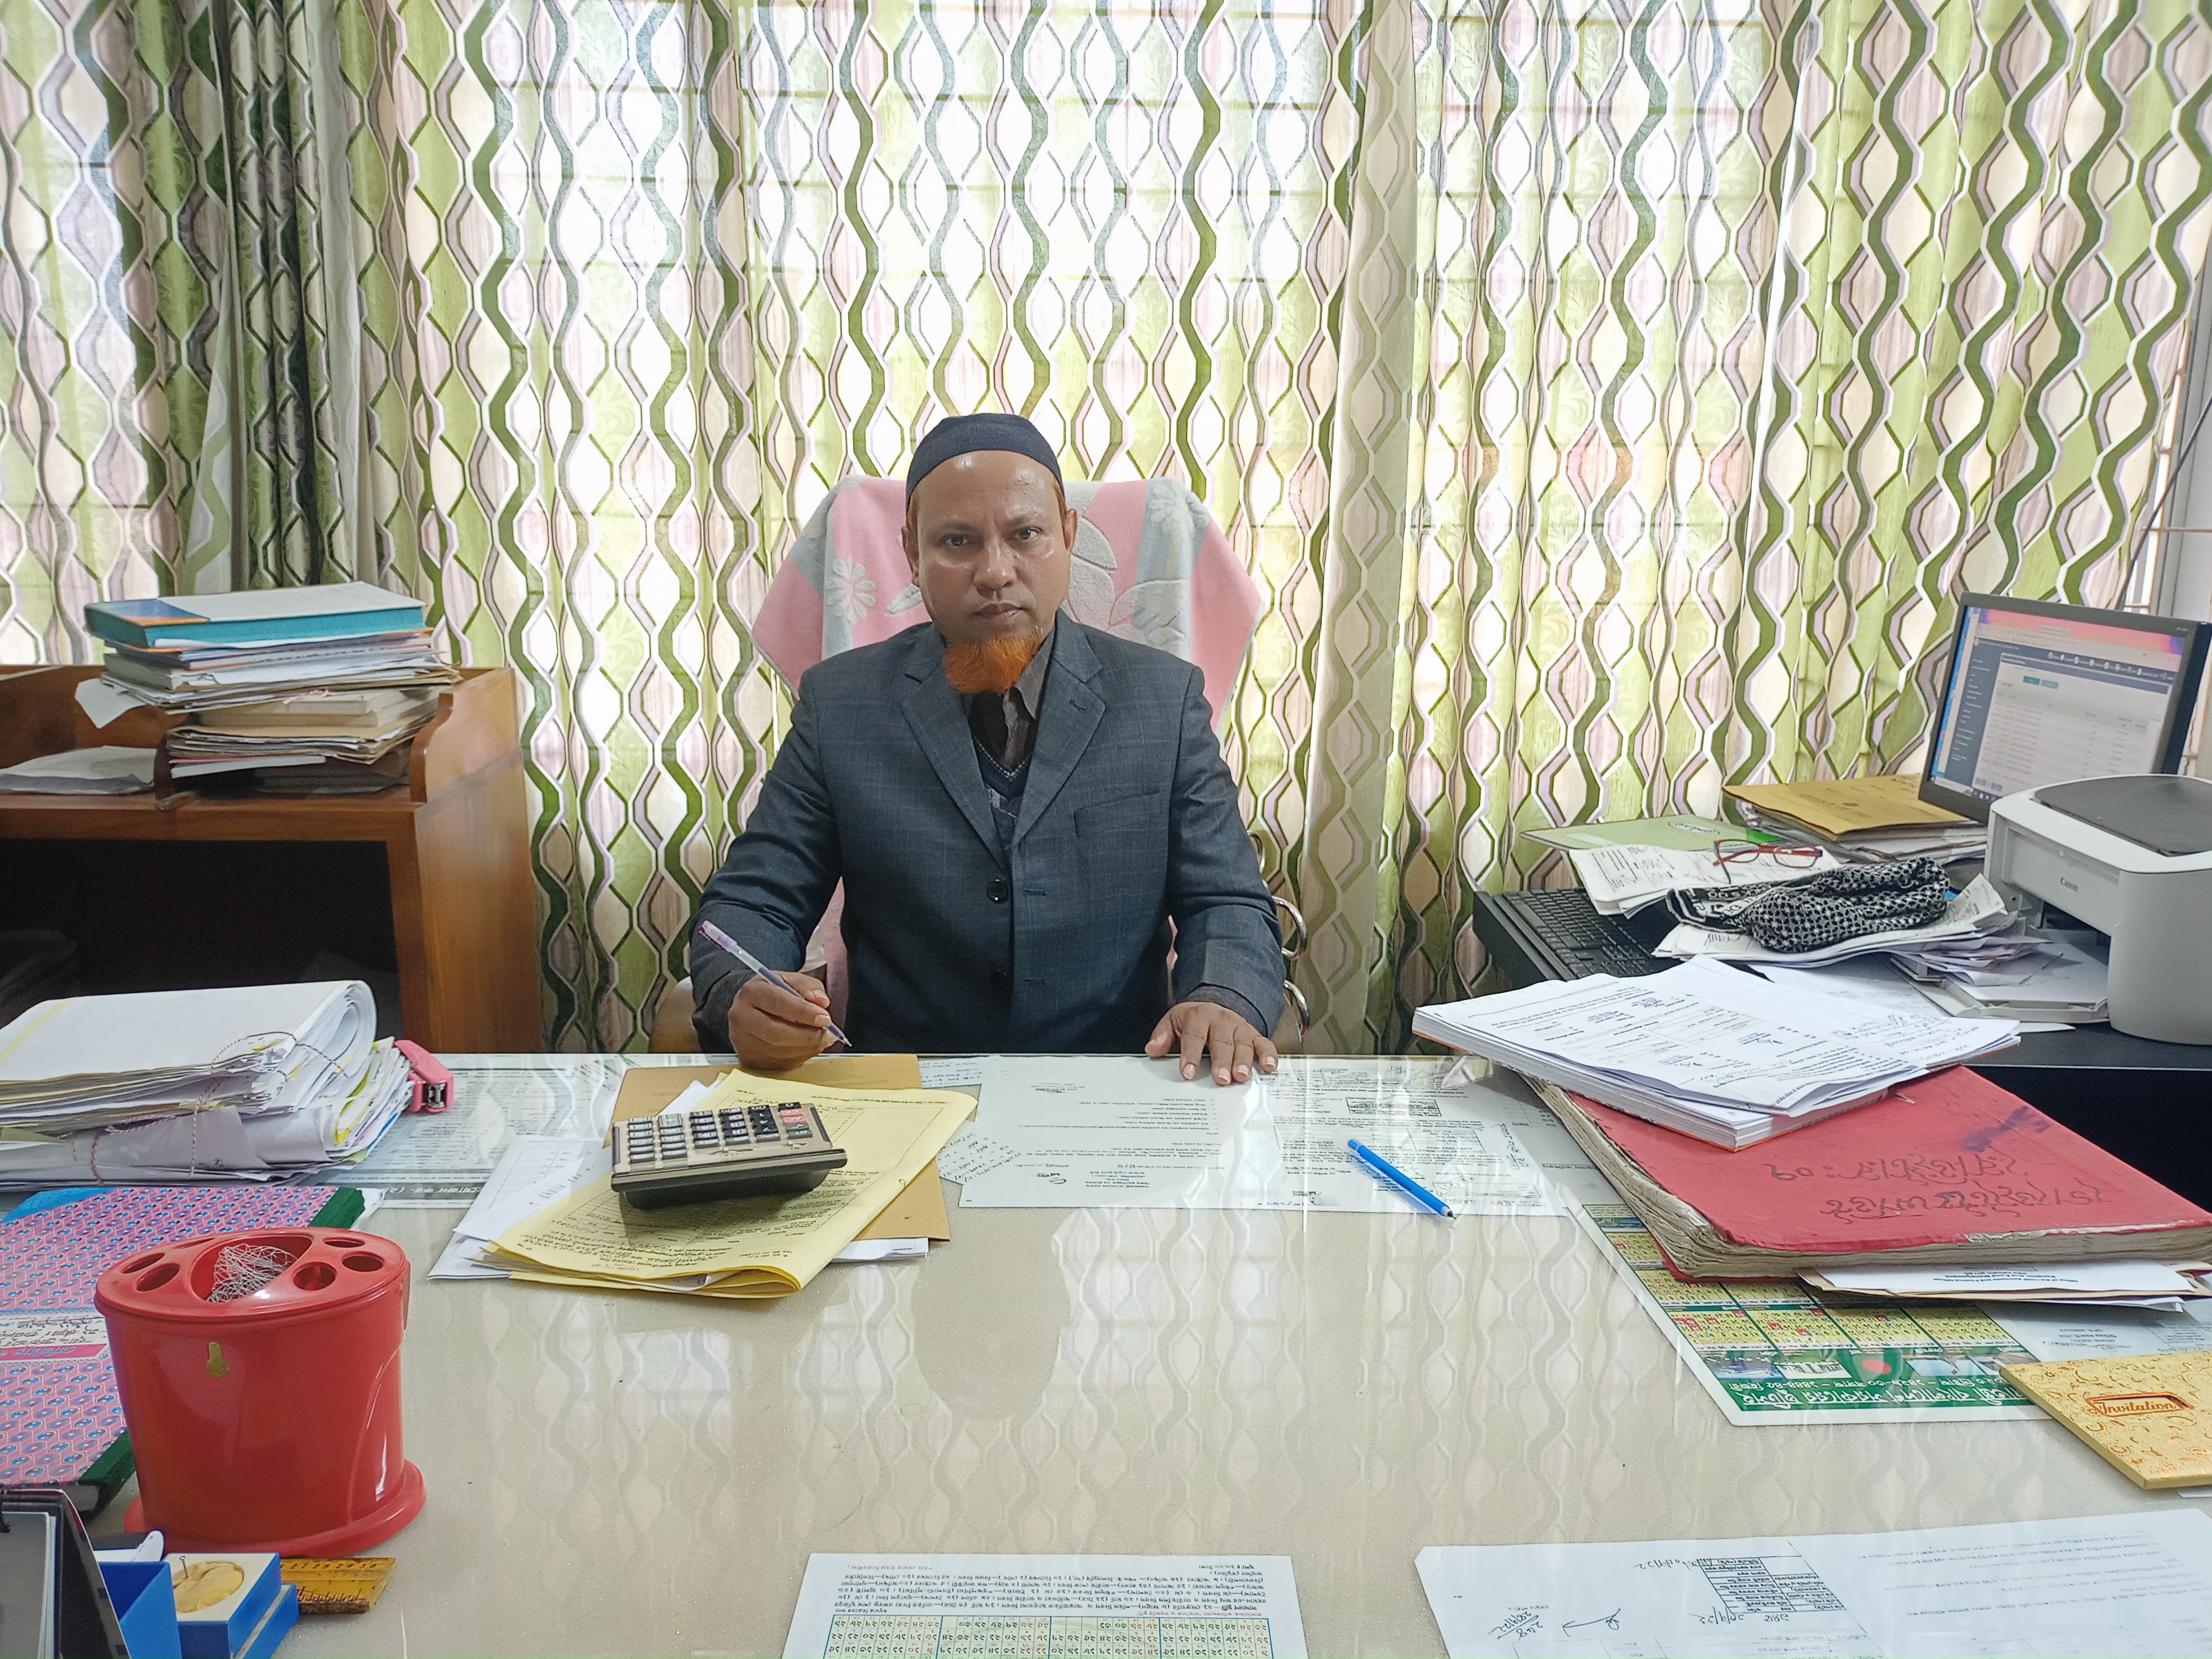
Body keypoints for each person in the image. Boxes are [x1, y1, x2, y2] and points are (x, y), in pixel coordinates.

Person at [691, 413, 1284, 1085]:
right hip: (908, 1089)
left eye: (1025, 535)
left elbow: (1227, 901)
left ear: (1068, 536)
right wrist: (741, 990)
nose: (995, 572)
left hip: (1118, 1084)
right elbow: (756, 901)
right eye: (957, 542)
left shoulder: (1162, 699)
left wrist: (1221, 996)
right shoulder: (840, 704)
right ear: (912, 553)